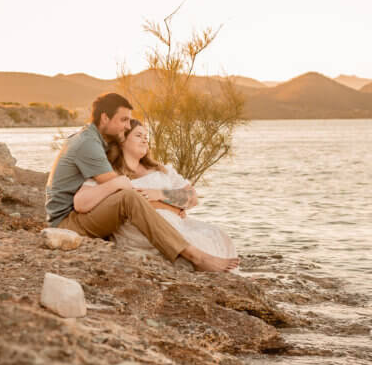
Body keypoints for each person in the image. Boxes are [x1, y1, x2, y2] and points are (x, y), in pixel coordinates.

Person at [45, 92, 238, 272]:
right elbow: (124, 195)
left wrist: (162, 197)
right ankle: (196, 256)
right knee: (127, 196)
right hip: (66, 222)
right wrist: (169, 206)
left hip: (75, 217)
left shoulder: (92, 140)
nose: (127, 126)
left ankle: (196, 253)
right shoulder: (89, 144)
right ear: (105, 118)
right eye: (124, 120)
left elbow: (123, 193)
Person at [75, 119, 236, 261]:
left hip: (179, 225)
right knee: (194, 244)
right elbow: (81, 202)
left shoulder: (161, 170)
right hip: (139, 234)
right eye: (138, 135)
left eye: (146, 136)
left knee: (217, 235)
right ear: (122, 140)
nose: (145, 140)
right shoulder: (108, 173)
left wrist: (160, 194)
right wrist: (171, 207)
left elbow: (192, 198)